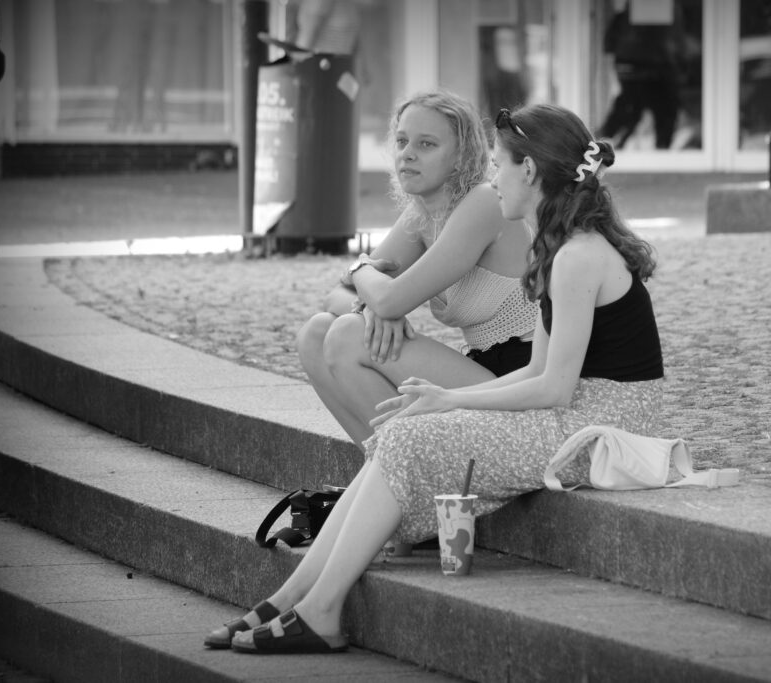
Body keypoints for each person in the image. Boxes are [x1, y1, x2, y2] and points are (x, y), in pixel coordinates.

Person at [203, 103, 665, 654]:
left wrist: (450, 400)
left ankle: (320, 610)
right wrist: (448, 398)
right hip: (579, 414)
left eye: (499, 165)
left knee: (409, 436)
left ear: (530, 173)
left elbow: (553, 388)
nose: (493, 178)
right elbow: (540, 372)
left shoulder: (578, 257)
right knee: (402, 432)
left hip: (603, 426)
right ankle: (293, 600)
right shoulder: (557, 250)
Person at [294, 90, 539, 452]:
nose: (407, 153)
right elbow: (340, 295)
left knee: (347, 335)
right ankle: (386, 470)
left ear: (460, 157)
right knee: (315, 333)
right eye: (402, 141)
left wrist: (361, 269)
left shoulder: (485, 202)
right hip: (480, 369)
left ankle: (402, 473)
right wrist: (373, 306)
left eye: (426, 144)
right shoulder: (422, 215)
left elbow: (387, 298)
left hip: (517, 383)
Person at [597, 1, 686, 149]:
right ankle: (597, 143)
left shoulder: (669, 11)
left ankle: (662, 150)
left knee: (638, 108)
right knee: (634, 108)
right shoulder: (629, 15)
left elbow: (676, 43)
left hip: (652, 67)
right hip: (643, 67)